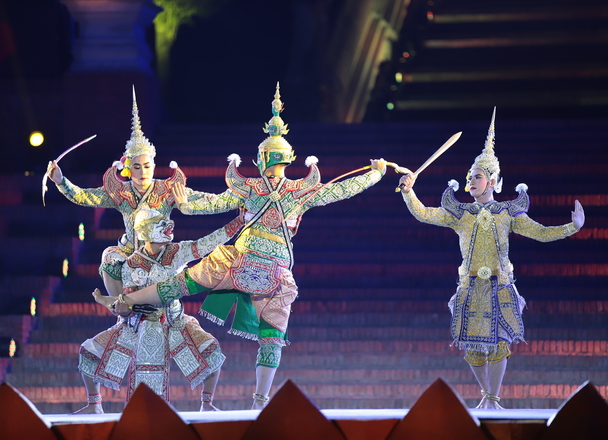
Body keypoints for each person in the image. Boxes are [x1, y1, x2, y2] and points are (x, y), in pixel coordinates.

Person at [93, 83, 388, 409]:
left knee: (180, 283)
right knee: (272, 336)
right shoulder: (300, 192)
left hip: (238, 261)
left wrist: (185, 205)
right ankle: (259, 401)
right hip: (276, 273)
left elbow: (212, 204)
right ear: (287, 160)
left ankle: (125, 300)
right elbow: (342, 190)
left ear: (262, 159)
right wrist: (375, 174)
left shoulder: (247, 188)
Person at [397, 108, 585, 409]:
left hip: (500, 286)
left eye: (478, 177)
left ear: (493, 180)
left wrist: (571, 227)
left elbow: (540, 232)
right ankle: (487, 396)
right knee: (472, 349)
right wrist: (409, 192)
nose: (471, 181)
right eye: (470, 177)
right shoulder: (461, 214)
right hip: (470, 287)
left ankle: (493, 398)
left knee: (500, 344)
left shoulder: (507, 213)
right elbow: (424, 214)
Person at [47, 88, 239, 299]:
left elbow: (209, 201)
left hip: (159, 253)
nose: (142, 172)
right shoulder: (121, 192)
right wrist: (61, 181)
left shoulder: (167, 190)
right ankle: (121, 308)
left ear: (154, 166)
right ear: (128, 169)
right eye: (136, 167)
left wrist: (239, 198)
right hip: (130, 252)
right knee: (109, 257)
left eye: (147, 166)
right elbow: (84, 196)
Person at [75, 203, 245, 414]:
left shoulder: (177, 251)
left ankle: (207, 404)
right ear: (146, 231)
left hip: (175, 323)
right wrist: (122, 310)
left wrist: (238, 222)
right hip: (136, 326)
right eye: (161, 224)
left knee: (212, 351)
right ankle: (94, 405)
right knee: (88, 353)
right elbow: (127, 306)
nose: (169, 227)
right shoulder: (130, 265)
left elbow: (207, 243)